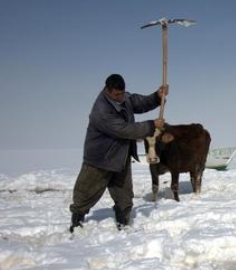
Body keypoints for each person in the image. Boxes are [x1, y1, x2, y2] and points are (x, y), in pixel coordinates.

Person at [69, 73, 168, 232]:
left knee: (124, 196)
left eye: (122, 93)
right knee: (85, 192)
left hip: (120, 156)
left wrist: (157, 96)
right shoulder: (101, 110)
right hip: (100, 158)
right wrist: (151, 125)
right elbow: (124, 129)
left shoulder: (124, 98)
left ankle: (123, 225)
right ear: (108, 90)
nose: (121, 97)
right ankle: (76, 225)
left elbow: (140, 103)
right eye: (117, 94)